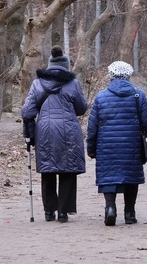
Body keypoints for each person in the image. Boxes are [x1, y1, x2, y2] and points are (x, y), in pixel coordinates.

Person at [21, 45, 88, 223]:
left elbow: (27, 111)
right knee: (68, 169)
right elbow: (81, 108)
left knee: (48, 169)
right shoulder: (72, 83)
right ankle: (64, 211)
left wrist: (29, 132)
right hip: (69, 130)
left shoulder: (37, 84)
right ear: (66, 66)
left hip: (45, 131)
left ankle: (49, 211)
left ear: (50, 65)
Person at [86, 60, 147, 226]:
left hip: (106, 145)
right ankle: (130, 213)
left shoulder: (101, 97)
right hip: (131, 143)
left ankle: (110, 208)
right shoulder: (138, 95)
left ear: (111, 75)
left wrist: (91, 148)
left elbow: (92, 126)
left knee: (108, 176)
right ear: (129, 75)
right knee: (131, 176)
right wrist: (142, 135)